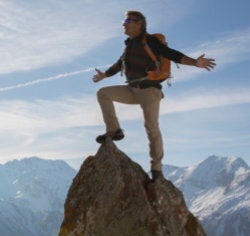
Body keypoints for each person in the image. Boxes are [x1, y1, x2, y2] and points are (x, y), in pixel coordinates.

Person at [92, 10, 216, 181]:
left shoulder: (149, 41)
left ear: (139, 24)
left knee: (151, 125)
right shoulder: (129, 45)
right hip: (132, 89)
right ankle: (114, 130)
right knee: (103, 93)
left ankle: (156, 169)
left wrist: (194, 62)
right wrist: (104, 75)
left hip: (150, 91)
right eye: (124, 21)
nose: (123, 24)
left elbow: (171, 54)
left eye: (128, 20)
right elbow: (119, 64)